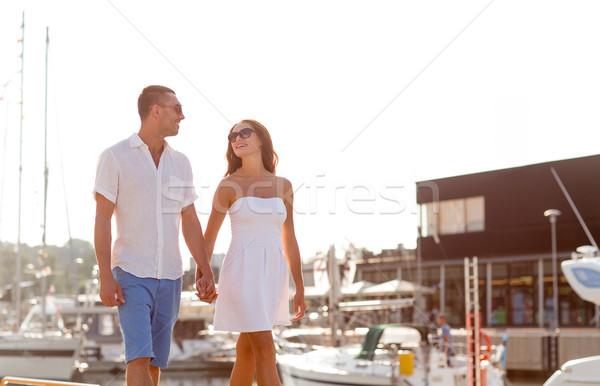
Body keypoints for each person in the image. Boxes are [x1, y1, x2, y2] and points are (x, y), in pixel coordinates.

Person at [94, 85, 217, 386]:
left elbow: (189, 220)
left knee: (154, 365)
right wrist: (105, 276)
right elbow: (102, 220)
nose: (182, 116)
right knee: (138, 359)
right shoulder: (115, 157)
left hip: (171, 277)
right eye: (177, 108)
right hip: (131, 272)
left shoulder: (181, 162)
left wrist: (204, 269)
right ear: (156, 110)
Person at [197, 119, 306, 386]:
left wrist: (299, 288)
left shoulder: (284, 186)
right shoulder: (228, 186)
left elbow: (289, 240)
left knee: (246, 352)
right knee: (266, 350)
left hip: (272, 275)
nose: (236, 138)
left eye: (244, 132)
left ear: (261, 139)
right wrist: (203, 276)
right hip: (242, 272)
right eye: (232, 136)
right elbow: (208, 238)